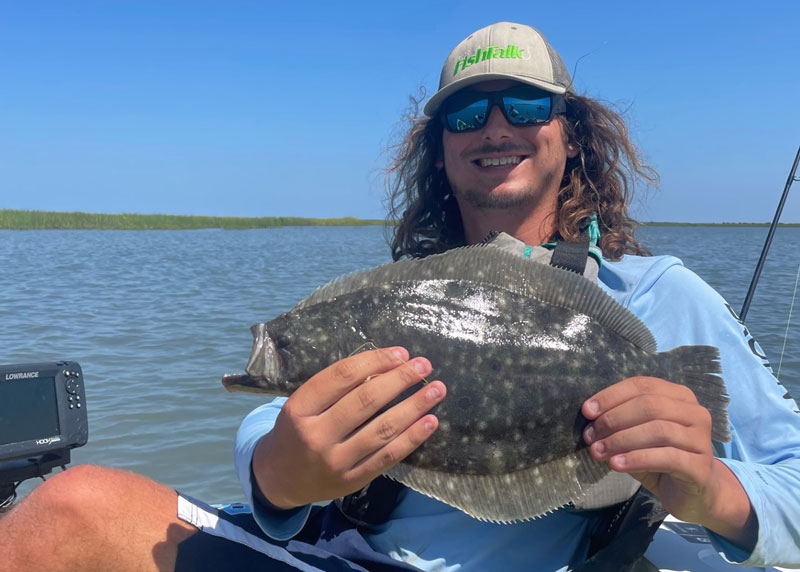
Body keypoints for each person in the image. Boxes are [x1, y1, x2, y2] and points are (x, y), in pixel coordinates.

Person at [1, 21, 799, 572]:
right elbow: (271, 418)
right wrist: (280, 470)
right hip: (334, 559)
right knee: (66, 508)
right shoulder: (411, 287)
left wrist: (717, 493)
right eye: (465, 112)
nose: (494, 127)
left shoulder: (664, 297)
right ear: (440, 145)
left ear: (570, 133)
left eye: (524, 106)